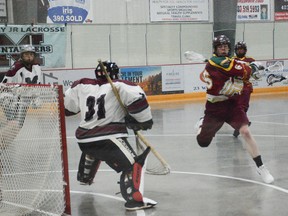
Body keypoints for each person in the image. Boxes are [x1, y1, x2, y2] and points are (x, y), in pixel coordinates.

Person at [64, 61, 156, 210]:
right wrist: (143, 121)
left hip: (84, 139)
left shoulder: (81, 85)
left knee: (93, 146)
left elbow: (68, 109)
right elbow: (138, 102)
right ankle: (134, 200)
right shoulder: (121, 85)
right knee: (133, 165)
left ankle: (85, 176)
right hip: (109, 138)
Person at [196, 35, 274, 184]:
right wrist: (252, 68)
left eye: (225, 46)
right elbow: (241, 70)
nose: (223, 48)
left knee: (245, 131)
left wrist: (251, 72)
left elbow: (241, 73)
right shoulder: (218, 62)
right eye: (220, 46)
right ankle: (201, 124)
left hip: (232, 105)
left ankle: (261, 167)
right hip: (214, 109)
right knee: (203, 143)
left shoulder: (228, 61)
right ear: (215, 49)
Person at [232, 41, 255, 138]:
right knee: (235, 107)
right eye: (238, 49)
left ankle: (240, 125)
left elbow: (256, 72)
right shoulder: (231, 60)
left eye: (242, 49)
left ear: (245, 50)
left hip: (246, 87)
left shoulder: (251, 60)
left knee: (243, 107)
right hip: (234, 87)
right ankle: (242, 123)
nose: (240, 51)